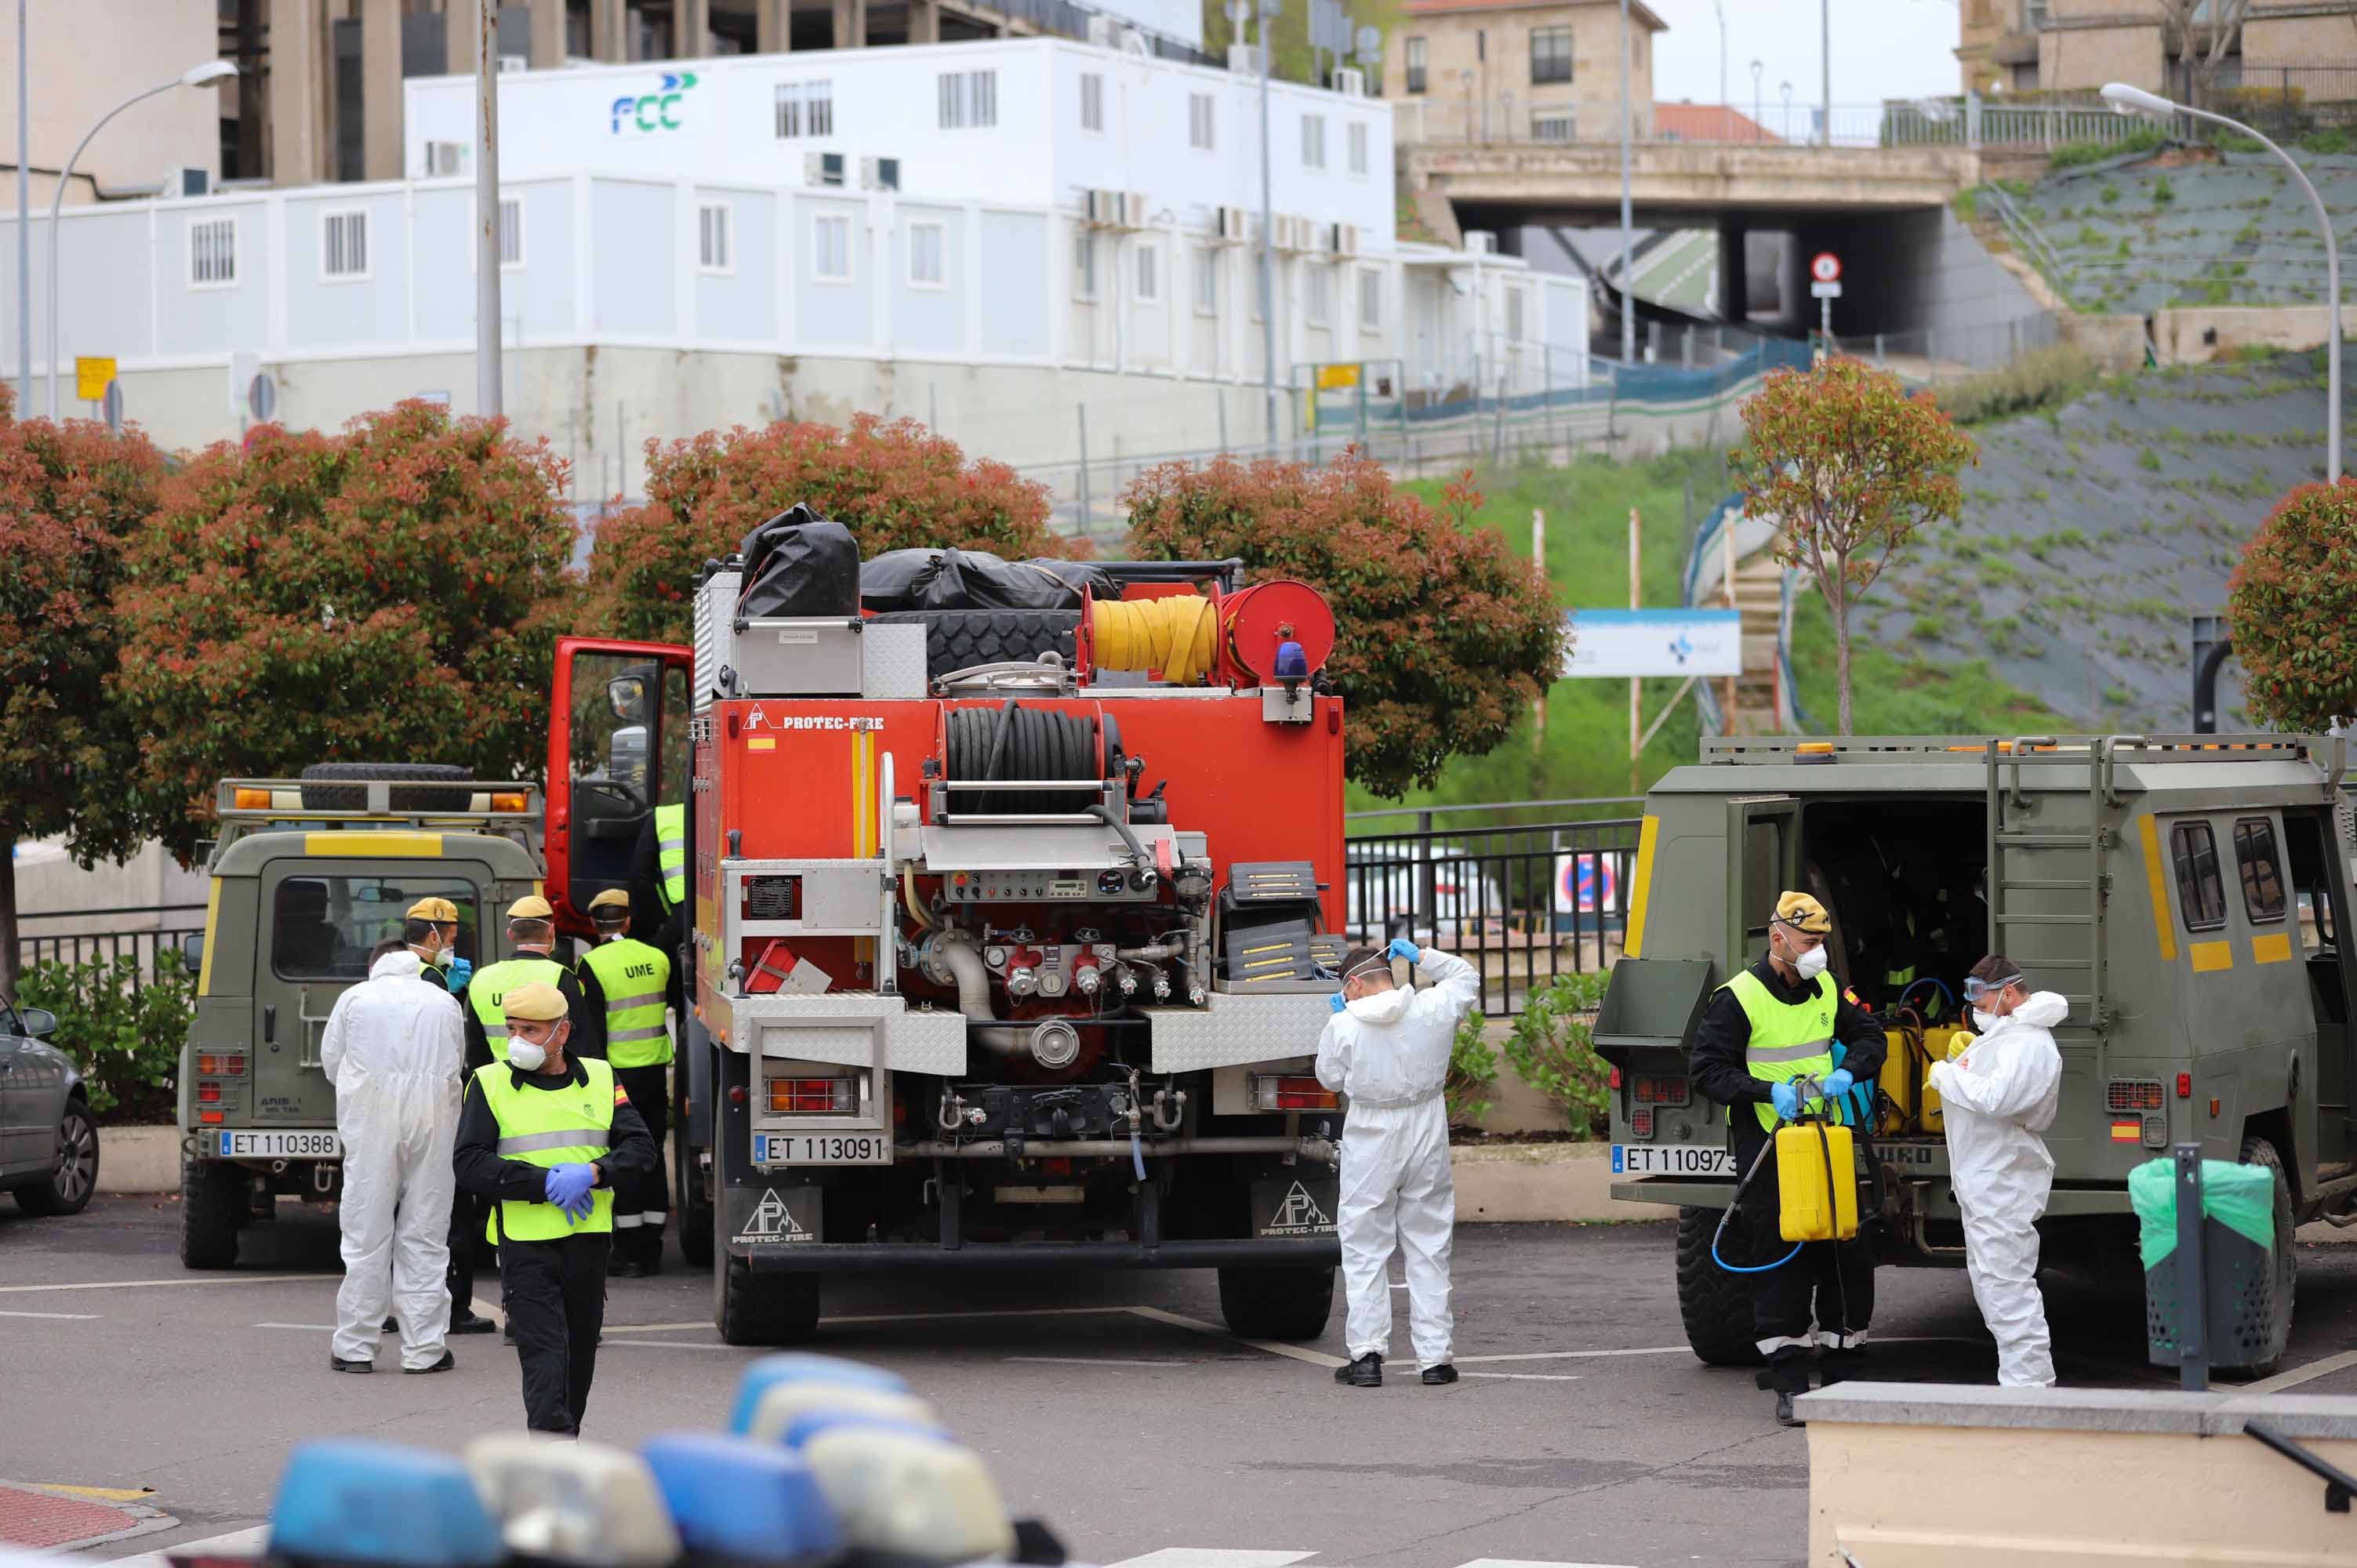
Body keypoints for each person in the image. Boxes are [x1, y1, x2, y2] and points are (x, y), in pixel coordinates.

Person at [1688, 891, 1887, 1427]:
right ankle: (1792, 1381)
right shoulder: (1740, 998)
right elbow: (1707, 1071)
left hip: (1826, 1138)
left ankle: (1845, 1372)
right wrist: (1762, 1092)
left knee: (1846, 1250)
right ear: (1778, 939)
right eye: (1809, 941)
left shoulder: (1824, 987)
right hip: (1771, 1145)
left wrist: (1851, 1071)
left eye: (1822, 941)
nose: (1819, 951)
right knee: (1782, 1259)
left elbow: (1869, 1035)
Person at [452, 981, 655, 1436]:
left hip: (587, 1242)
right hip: (525, 1245)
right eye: (512, 1029)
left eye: (531, 1029)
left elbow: (640, 1148)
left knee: (579, 1353)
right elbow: (469, 1163)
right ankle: (552, 1453)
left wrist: (595, 1173)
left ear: (562, 1033)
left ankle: (566, 1445)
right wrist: (543, 1182)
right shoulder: (489, 1083)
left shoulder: (601, 1079)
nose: (517, 1040)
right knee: (544, 1354)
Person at [1316, 937, 1481, 1389]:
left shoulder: (1345, 1026)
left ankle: (1366, 1355)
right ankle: (1435, 1359)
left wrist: (1337, 1019)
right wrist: (1424, 956)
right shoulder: (1431, 1008)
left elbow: (1329, 1078)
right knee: (1428, 1241)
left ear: (1352, 986)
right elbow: (1466, 977)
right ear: (1389, 977)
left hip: (1372, 1131)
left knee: (1365, 1244)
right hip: (1427, 1123)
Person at [456, 896, 607, 1338]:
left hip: (500, 1104)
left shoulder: (484, 979)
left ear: (510, 935)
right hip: (562, 1104)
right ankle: (577, 1314)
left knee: (510, 1211)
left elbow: (475, 1053)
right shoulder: (561, 976)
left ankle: (518, 1309)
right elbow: (584, 1045)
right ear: (552, 933)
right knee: (572, 1213)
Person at [320, 940, 466, 1375]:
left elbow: (332, 1063)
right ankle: (424, 1349)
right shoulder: (443, 1002)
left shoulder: (355, 999)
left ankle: (355, 1348)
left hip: (372, 1118)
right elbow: (458, 1060)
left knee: (366, 1233)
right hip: (435, 1117)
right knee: (425, 1233)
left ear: (375, 965)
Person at [1927, 954, 2065, 1388]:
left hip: (2003, 1179)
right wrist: (1970, 1059)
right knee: (1994, 1288)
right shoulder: (2011, 1037)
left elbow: (1997, 1100)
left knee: (2007, 1290)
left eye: (1980, 995)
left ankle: (2030, 1392)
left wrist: (1947, 1075)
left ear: (2008, 992)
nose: (1974, 1006)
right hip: (1989, 1178)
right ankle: (2022, 1389)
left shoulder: (2029, 1043)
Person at [579, 888, 674, 1276]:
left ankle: (628, 1248)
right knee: (652, 1154)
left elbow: (592, 1029)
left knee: (624, 1157)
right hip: (655, 1071)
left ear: (594, 924)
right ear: (629, 921)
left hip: (617, 1078)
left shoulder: (591, 964)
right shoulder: (658, 958)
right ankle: (652, 1245)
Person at [405, 896, 473, 1000]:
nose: (452, 947)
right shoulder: (431, 977)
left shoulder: (393, 965)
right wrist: (453, 993)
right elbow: (448, 1015)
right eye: (452, 941)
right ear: (434, 938)